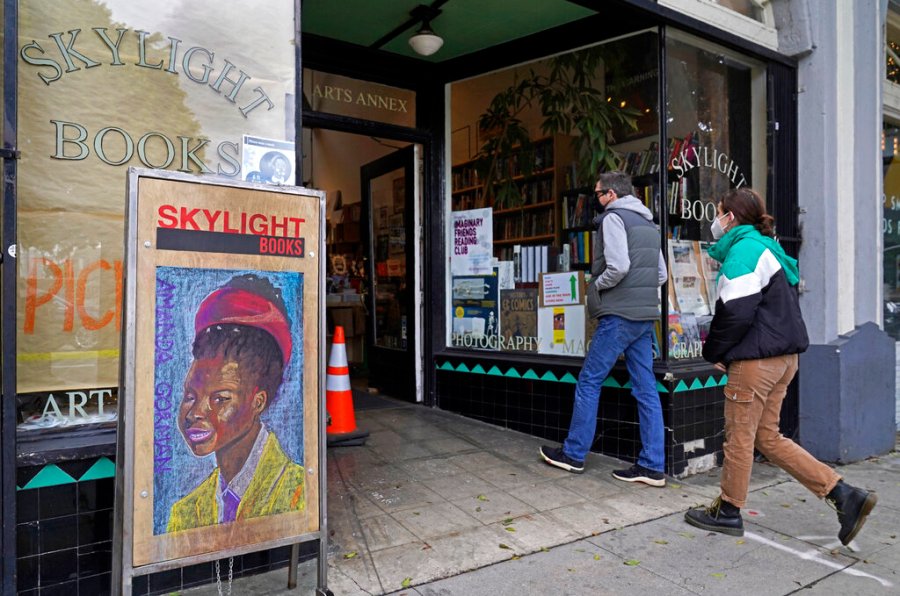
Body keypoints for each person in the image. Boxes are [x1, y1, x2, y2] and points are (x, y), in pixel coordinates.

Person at [684, 188, 877, 546]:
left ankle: (728, 511)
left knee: (739, 438)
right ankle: (843, 494)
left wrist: (714, 350)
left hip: (756, 362)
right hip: (783, 360)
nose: (716, 220)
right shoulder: (770, 248)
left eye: (719, 212)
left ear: (731, 217)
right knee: (767, 437)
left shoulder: (744, 251)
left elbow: (735, 312)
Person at [541, 170, 668, 486]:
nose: (596, 199)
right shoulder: (649, 224)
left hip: (619, 315)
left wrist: (597, 286)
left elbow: (619, 266)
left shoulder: (614, 219)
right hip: (644, 317)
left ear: (611, 194)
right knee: (645, 388)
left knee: (589, 380)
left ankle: (573, 454)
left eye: (598, 194)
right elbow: (662, 274)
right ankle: (653, 466)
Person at [167, 274, 305, 532]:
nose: (196, 412)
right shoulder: (184, 512)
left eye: (220, 398)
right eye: (190, 396)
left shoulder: (298, 492)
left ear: (258, 401)